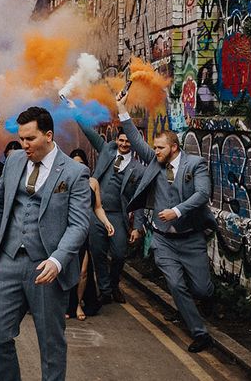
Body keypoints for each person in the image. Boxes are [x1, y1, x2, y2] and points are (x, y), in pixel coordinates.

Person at [0, 106, 89, 381]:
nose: (24, 144)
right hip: (7, 261)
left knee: (51, 344)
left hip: (46, 267)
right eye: (21, 138)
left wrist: (57, 260)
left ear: (48, 135)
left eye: (30, 138)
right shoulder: (14, 160)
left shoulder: (74, 172)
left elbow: (79, 224)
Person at [116, 90, 216, 353]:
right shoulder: (154, 161)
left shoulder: (195, 165)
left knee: (203, 290)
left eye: (159, 148)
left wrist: (178, 211)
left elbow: (203, 194)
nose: (155, 151)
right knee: (175, 284)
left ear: (173, 148)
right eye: (155, 147)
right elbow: (136, 140)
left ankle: (203, 302)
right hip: (164, 240)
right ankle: (200, 333)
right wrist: (121, 108)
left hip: (191, 238)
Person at [76, 120, 145, 304]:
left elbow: (139, 200)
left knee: (119, 253)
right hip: (95, 212)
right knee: (97, 253)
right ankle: (105, 291)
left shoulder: (138, 169)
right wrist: (73, 110)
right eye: (121, 140)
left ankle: (114, 284)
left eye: (128, 141)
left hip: (117, 216)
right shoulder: (106, 150)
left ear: (133, 143)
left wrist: (137, 227)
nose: (124, 144)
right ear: (117, 140)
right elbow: (89, 131)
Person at [66, 149, 115, 321]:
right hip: (67, 230)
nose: (78, 167)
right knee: (65, 270)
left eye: (81, 163)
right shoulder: (64, 180)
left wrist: (106, 222)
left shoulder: (93, 182)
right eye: (74, 163)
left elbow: (98, 207)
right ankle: (66, 304)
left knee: (84, 270)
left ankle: (78, 303)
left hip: (85, 232)